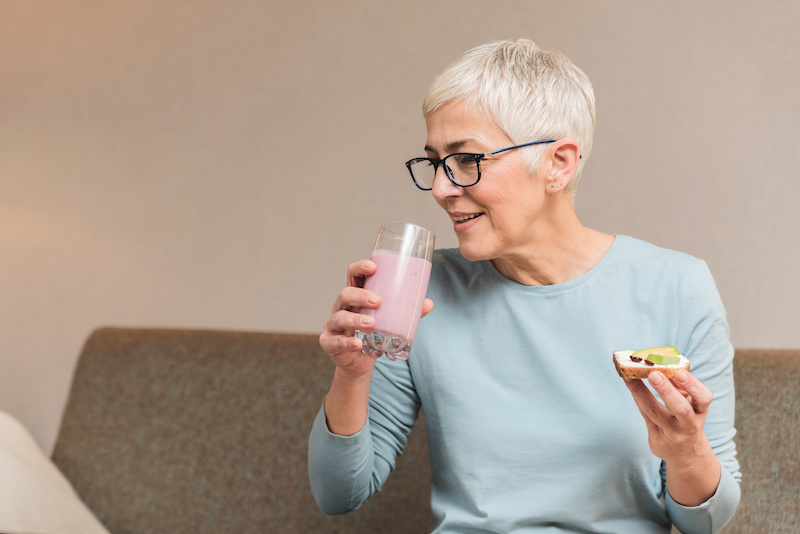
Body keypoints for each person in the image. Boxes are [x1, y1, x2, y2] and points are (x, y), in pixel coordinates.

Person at [309, 38, 741, 534]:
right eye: (435, 161)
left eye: (467, 159)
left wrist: (687, 455)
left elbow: (707, 524)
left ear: (559, 163)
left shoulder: (676, 286)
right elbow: (338, 494)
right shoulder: (425, 292)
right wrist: (352, 376)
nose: (441, 189)